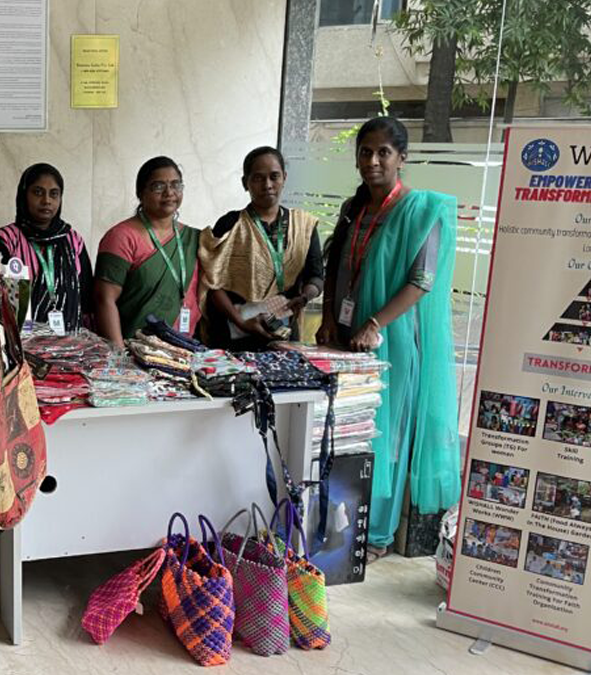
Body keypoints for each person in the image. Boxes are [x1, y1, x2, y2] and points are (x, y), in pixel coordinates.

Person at [317, 116, 460, 561]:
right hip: (345, 338)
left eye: (383, 152)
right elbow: (337, 267)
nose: (373, 160)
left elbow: (422, 280)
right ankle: (336, 523)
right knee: (345, 431)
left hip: (391, 342)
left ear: (402, 158)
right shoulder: (353, 209)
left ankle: (375, 533)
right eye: (365, 151)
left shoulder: (422, 211)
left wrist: (376, 323)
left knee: (386, 435)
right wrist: (326, 319)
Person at [199, 147, 324, 350]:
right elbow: (212, 283)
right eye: (258, 178)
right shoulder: (231, 224)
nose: (267, 185)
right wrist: (240, 321)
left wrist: (303, 297)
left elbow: (316, 276)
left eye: (274, 176)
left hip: (283, 330)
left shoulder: (303, 226)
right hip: (234, 333)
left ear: (284, 177)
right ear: (245, 183)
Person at [95, 157, 200, 347]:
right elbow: (104, 300)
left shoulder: (193, 238)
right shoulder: (121, 237)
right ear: (141, 193)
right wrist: (119, 355)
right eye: (158, 186)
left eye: (176, 185)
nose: (169, 193)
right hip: (134, 351)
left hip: (183, 351)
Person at [0, 163, 94, 330]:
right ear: (24, 195)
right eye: (38, 192)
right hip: (20, 345)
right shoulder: (6, 239)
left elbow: (87, 299)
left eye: (54, 194)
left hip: (70, 345)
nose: (46, 201)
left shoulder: (73, 240)